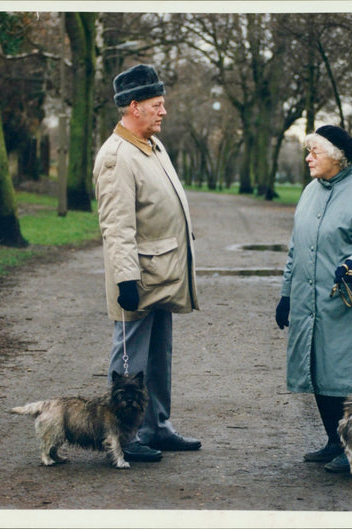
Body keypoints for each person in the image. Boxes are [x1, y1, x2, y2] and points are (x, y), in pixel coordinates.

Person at [93, 64, 201, 463]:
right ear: (133, 107)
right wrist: (125, 278)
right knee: (130, 360)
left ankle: (157, 426)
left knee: (158, 357)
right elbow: (116, 225)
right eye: (157, 105)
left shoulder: (153, 146)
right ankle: (121, 436)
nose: (164, 112)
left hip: (162, 273)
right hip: (137, 277)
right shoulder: (116, 157)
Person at [274, 125, 352, 473]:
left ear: (337, 158)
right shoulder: (311, 190)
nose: (308, 158)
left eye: (315, 152)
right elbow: (297, 248)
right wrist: (286, 295)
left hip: (350, 303)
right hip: (312, 302)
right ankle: (335, 440)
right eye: (307, 151)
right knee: (321, 370)